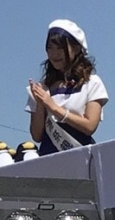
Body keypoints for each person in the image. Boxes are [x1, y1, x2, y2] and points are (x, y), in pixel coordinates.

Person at [26, 19, 107, 153]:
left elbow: (90, 126)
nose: (54, 54)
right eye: (50, 48)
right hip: (49, 157)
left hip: (80, 155)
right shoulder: (42, 87)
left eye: (60, 48)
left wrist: (53, 107)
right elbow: (37, 136)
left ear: (76, 49)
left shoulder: (92, 82)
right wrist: (40, 103)